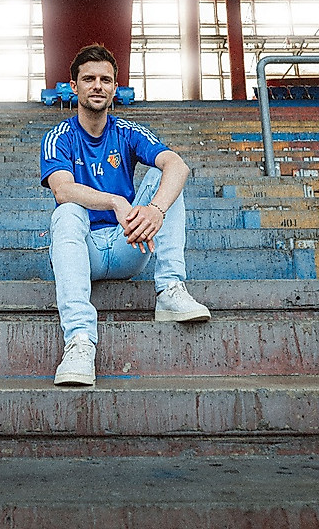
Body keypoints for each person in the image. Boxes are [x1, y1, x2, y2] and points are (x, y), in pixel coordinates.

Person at [40, 44, 211, 387]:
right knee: (67, 212)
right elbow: (62, 190)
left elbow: (177, 165)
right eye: (89, 79)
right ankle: (80, 341)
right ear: (74, 86)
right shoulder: (59, 137)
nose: (97, 86)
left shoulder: (128, 132)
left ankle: (170, 288)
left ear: (115, 87)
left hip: (127, 244)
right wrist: (116, 202)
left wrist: (155, 210)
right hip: (84, 251)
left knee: (165, 177)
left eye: (105, 80)